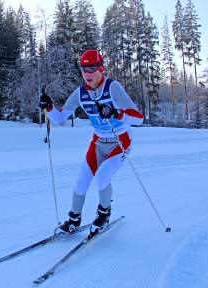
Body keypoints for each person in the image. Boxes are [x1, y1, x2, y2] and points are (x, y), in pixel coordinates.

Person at [39, 49, 143, 236]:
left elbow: (139, 119)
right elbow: (60, 118)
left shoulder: (113, 87)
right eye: (84, 69)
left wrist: (116, 113)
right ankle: (73, 220)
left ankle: (103, 215)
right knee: (81, 182)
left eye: (92, 69)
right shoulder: (80, 93)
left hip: (120, 141)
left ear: (101, 69)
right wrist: (49, 107)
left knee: (102, 177)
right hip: (98, 143)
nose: (87, 74)